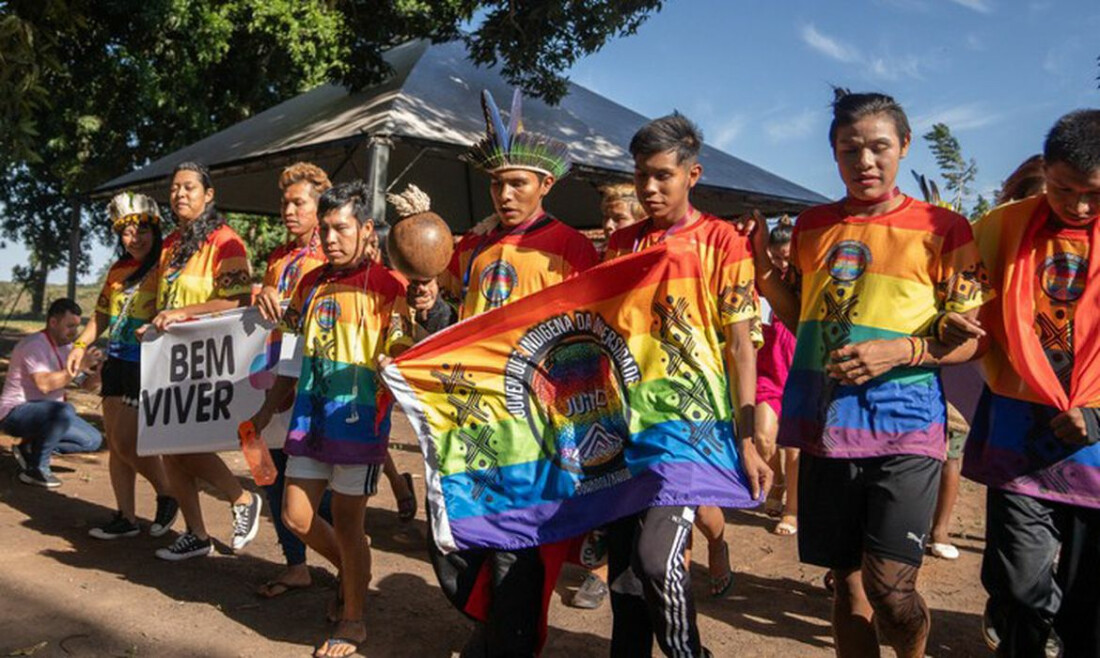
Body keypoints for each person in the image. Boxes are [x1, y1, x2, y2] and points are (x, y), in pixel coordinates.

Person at [749, 90, 987, 658]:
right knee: (848, 582)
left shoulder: (944, 227)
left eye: (879, 147)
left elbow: (971, 343)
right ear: (834, 155)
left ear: (904, 146)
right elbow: (800, 316)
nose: (865, 162)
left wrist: (902, 350)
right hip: (826, 427)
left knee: (890, 587)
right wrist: (761, 265)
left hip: (905, 427)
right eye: (849, 149)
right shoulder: (811, 225)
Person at [433, 89, 600, 657]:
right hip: (472, 418)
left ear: (545, 186)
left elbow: (589, 343)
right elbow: (449, 316)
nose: (505, 194)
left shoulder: (573, 251)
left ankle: (511, 639)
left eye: (518, 184)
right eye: (498, 184)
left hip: (537, 425)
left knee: (519, 546)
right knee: (456, 537)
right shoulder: (475, 247)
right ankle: (497, 626)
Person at [600, 112, 770, 657]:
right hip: (626, 426)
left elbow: (742, 345)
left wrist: (746, 434)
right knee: (625, 575)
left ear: (692, 174)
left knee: (656, 558)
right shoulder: (620, 244)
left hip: (690, 428)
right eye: (640, 176)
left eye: (662, 176)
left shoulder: (723, 242)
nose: (648, 188)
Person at [959, 109, 1100, 657]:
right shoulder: (1001, 226)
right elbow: (965, 299)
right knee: (1018, 590)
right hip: (1020, 433)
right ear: (1045, 168)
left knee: (1089, 608)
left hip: (1095, 441)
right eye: (1065, 189)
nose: (1079, 206)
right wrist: (955, 319)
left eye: (1093, 193)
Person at [250, 181, 411, 658]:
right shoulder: (310, 283)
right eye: (325, 230)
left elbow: (403, 350)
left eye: (341, 228)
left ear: (365, 229)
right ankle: (355, 570)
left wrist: (394, 360)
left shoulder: (390, 287)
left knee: (346, 520)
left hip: (361, 427)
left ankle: (353, 618)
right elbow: (291, 357)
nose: (331, 238)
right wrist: (264, 409)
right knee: (296, 517)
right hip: (309, 421)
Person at [149, 161, 263, 561]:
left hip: (207, 359)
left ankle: (242, 497)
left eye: (189, 188)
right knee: (166, 446)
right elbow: (164, 302)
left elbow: (239, 300)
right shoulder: (169, 246)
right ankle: (196, 534)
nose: (179, 194)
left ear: (209, 194)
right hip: (168, 358)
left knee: (184, 442)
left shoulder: (226, 241)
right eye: (175, 188)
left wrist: (186, 313)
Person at [68, 193, 178, 537]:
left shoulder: (166, 266)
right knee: (115, 444)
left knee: (128, 442)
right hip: (116, 360)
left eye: (142, 230)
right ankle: (126, 518)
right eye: (127, 233)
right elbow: (101, 314)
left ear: (155, 229)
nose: (135, 238)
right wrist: (81, 344)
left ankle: (168, 494)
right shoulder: (117, 270)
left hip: (146, 364)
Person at [252, 162, 334, 597]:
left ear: (320, 208)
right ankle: (295, 564)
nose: (288, 210)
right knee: (271, 474)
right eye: (284, 203)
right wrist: (259, 292)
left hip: (312, 381)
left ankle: (350, 562)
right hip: (272, 375)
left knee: (320, 484)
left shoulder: (330, 256)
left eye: (298, 203)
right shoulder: (277, 258)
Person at [1, 299, 104, 487]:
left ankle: (30, 448)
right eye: (69, 326)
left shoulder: (68, 348)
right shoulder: (34, 346)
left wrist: (98, 374)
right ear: (53, 323)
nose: (74, 331)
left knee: (92, 440)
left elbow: (85, 385)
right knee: (65, 410)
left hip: (52, 415)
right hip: (15, 413)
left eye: (77, 326)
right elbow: (45, 385)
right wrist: (79, 366)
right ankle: (36, 469)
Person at [754, 216, 799, 537]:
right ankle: (777, 479)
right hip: (768, 374)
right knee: (763, 436)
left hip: (799, 373)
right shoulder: (762, 280)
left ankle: (793, 510)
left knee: (795, 448)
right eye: (778, 256)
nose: (784, 262)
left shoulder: (804, 280)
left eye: (788, 256)